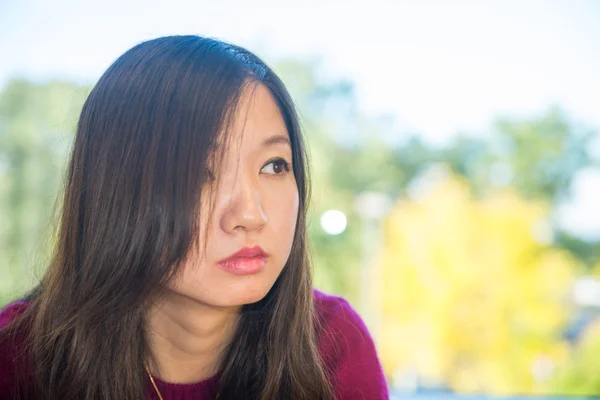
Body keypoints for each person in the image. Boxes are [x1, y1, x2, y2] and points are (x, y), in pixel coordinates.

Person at [0, 35, 388, 400]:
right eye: (201, 173)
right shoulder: (16, 360)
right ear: (116, 191)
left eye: (273, 165)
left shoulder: (332, 348)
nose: (250, 215)